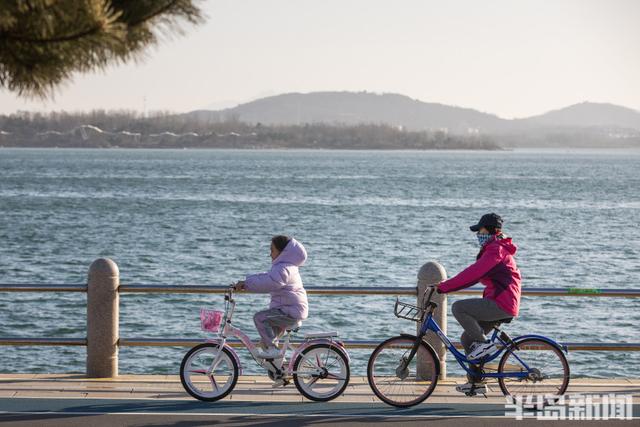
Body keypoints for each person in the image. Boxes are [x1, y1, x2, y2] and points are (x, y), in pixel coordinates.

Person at [436, 213, 521, 394]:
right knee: (467, 338)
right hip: (500, 302)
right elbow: (472, 278)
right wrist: (446, 287)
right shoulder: (495, 248)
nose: (477, 235)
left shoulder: (495, 250)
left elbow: (472, 273)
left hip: (502, 303)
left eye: (480, 231)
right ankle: (477, 382)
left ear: (490, 231)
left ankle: (485, 345)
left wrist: (444, 287)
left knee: (458, 307)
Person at [234, 235, 308, 359]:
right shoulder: (285, 267)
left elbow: (270, 282)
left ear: (283, 252)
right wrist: (246, 281)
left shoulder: (284, 268)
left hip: (289, 312)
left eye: (272, 250)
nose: (270, 254)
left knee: (260, 318)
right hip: (288, 309)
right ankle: (280, 368)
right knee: (264, 342)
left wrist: (246, 285)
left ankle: (273, 350)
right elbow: (266, 277)